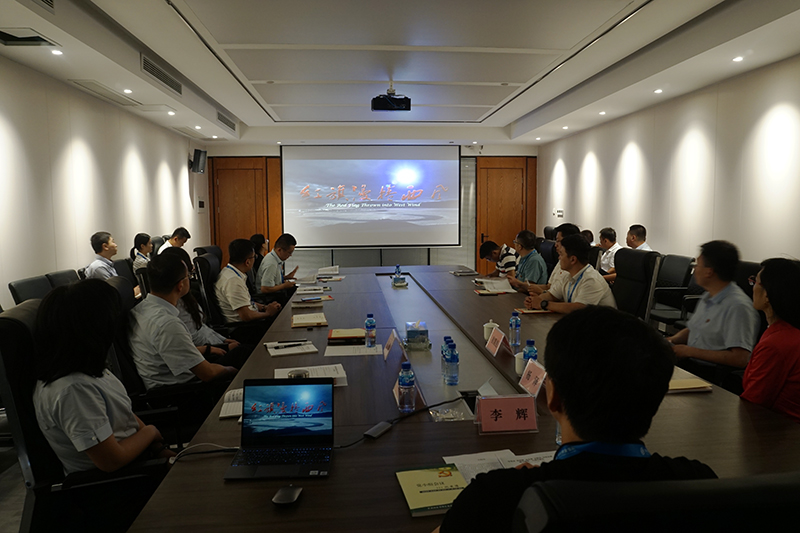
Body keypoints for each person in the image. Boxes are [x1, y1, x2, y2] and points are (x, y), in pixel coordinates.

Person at [436, 306, 717, 533]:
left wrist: (535, 478)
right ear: (658, 396)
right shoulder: (698, 484)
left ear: (553, 397)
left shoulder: (496, 496)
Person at [33, 279, 173, 475]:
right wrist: (150, 432)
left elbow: (123, 416)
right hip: (119, 481)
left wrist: (157, 447)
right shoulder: (72, 390)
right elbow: (111, 460)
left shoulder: (87, 368)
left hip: (141, 461)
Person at [129, 254, 237, 390]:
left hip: (171, 378)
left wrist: (207, 349)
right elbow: (208, 374)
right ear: (180, 285)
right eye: (188, 276)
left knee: (239, 353)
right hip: (183, 391)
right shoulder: (167, 324)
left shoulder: (140, 309)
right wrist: (235, 371)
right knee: (242, 356)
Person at [667, 241, 759, 370]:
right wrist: (671, 341)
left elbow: (740, 358)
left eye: (697, 265)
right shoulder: (708, 296)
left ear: (709, 272)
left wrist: (689, 351)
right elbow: (695, 329)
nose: (695, 269)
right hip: (691, 363)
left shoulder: (738, 307)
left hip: (712, 373)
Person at [161, 247, 253, 370]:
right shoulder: (173, 310)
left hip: (214, 345)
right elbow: (195, 340)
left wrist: (224, 340)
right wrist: (223, 346)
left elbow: (203, 328)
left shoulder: (186, 299)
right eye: (188, 275)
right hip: (206, 357)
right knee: (248, 353)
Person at [740, 258, 800, 422]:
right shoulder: (786, 332)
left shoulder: (776, 345)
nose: (752, 288)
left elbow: (753, 403)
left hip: (778, 431)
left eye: (755, 282)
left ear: (767, 294)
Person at [524, 234, 616, 313]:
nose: (559, 258)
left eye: (561, 254)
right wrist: (535, 300)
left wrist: (544, 304)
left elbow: (578, 309)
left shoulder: (591, 280)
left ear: (572, 259)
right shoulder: (568, 275)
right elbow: (552, 295)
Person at [217, 239, 282, 344]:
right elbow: (246, 316)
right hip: (243, 329)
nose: (255, 259)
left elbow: (246, 302)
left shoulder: (231, 273)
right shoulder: (233, 281)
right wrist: (268, 313)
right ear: (247, 262)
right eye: (254, 257)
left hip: (248, 323)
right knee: (280, 327)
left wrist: (264, 307)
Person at [526, 223, 581, 296]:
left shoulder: (573, 267)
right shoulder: (561, 260)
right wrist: (532, 288)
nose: (555, 245)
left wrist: (541, 293)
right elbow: (549, 286)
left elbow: (563, 298)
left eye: (558, 241)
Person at [256, 233, 299, 302]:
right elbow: (265, 288)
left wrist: (286, 277)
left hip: (275, 294)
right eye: (289, 252)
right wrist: (284, 286)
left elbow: (272, 279)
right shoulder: (271, 263)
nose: (290, 255)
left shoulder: (275, 258)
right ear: (279, 250)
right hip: (269, 298)